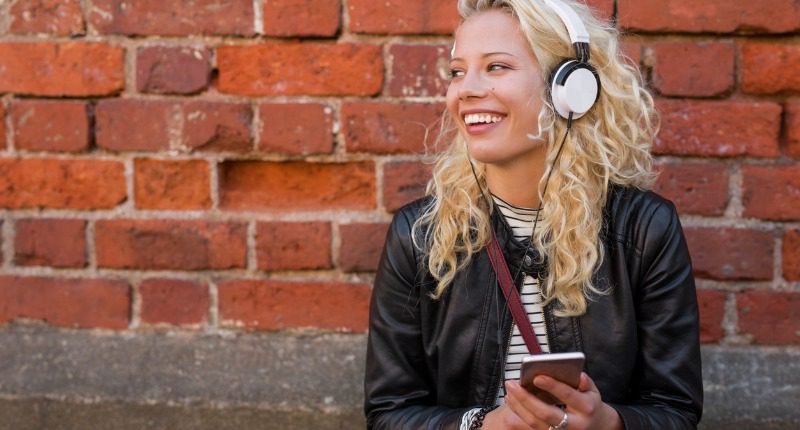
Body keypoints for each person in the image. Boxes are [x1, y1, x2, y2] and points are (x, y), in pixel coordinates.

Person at [364, 0, 703, 429]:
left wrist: (610, 423)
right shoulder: (419, 235)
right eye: (456, 71)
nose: (464, 89)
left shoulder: (644, 230)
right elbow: (389, 413)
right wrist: (482, 425)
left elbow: (676, 411)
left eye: (496, 67)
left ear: (571, 88)